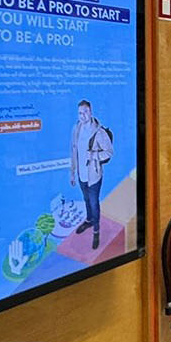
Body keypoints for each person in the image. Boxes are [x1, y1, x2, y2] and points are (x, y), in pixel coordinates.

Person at [69, 100, 113, 249]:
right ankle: (89, 220)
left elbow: (109, 152)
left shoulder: (99, 132)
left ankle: (96, 230)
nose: (83, 116)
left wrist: (93, 155)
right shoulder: (76, 128)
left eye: (85, 112)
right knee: (86, 199)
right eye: (80, 113)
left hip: (94, 175)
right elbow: (73, 151)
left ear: (91, 112)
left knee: (94, 203)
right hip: (81, 174)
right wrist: (72, 172)